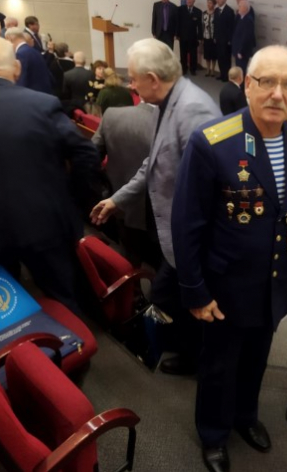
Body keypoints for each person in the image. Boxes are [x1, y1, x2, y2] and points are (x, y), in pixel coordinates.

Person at [172, 45, 287, 472]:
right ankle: (214, 434)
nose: (277, 93)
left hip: (276, 281)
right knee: (219, 365)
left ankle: (246, 416)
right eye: (266, 81)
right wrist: (195, 290)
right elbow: (188, 223)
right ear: (247, 85)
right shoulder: (212, 142)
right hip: (225, 286)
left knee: (258, 357)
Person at [89, 38, 220, 377]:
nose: (131, 86)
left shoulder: (193, 110)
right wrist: (118, 199)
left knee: (173, 294)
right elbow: (154, 162)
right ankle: (189, 350)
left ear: (152, 78)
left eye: (133, 79)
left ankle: (198, 359)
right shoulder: (167, 103)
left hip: (192, 237)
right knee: (171, 296)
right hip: (174, 234)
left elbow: (210, 188)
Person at [0, 36, 102, 313]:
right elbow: (86, 154)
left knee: (0, 311)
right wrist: (75, 199)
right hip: (44, 224)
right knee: (63, 299)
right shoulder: (41, 104)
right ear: (16, 68)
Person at [91, 103, 155, 266]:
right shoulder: (174, 124)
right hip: (158, 213)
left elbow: (90, 158)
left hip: (119, 204)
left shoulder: (111, 114)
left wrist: (104, 189)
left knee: (130, 257)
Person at [5, 27, 54, 95]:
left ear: (9, 39)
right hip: (43, 93)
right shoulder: (34, 51)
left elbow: (22, 80)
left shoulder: (20, 54)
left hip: (32, 95)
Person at [176, 0, 203, 76]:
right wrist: (177, 34)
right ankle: (184, 69)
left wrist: (200, 37)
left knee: (193, 54)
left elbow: (200, 26)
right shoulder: (180, 9)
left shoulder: (198, 11)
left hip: (193, 37)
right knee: (183, 54)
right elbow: (177, 23)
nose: (189, 1)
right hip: (182, 36)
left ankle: (193, 69)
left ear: (194, 1)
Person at [213, 0, 235, 82]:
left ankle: (227, 76)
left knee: (226, 58)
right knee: (220, 57)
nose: (217, 0)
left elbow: (231, 27)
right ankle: (222, 74)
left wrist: (230, 40)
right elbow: (215, 25)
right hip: (218, 39)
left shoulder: (229, 11)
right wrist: (215, 36)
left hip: (226, 40)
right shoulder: (216, 10)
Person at [231, 0, 255, 74]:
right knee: (238, 69)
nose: (238, 8)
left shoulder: (248, 20)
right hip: (237, 49)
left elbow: (246, 37)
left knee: (241, 70)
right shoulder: (241, 18)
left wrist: (241, 51)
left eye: (240, 6)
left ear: (244, 8)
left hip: (242, 51)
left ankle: (241, 82)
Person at [201, 0, 217, 77]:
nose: (208, 4)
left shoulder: (216, 13)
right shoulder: (204, 13)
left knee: (214, 55)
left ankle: (213, 70)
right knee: (207, 55)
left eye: (210, 3)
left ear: (214, 4)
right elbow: (202, 25)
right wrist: (202, 37)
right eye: (208, 3)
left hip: (214, 38)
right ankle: (208, 70)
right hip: (206, 36)